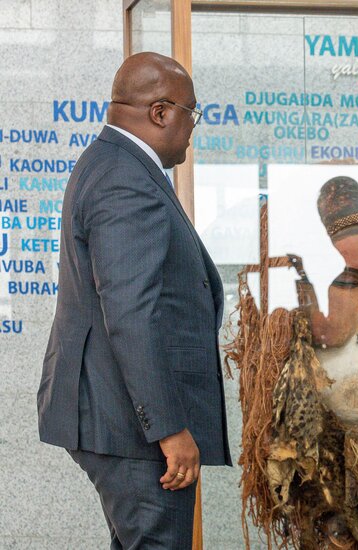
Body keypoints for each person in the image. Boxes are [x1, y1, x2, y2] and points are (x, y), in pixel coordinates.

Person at [37, 52, 230, 549]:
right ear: (161, 112)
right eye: (193, 113)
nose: (193, 126)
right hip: (132, 430)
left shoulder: (111, 164)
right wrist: (168, 430)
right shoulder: (125, 178)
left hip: (117, 419)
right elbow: (131, 313)